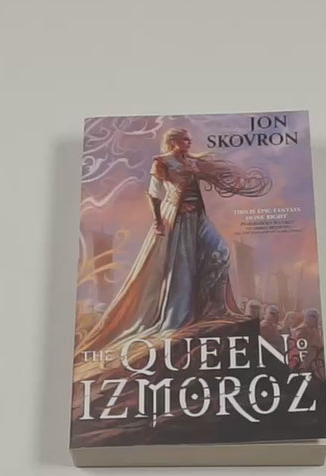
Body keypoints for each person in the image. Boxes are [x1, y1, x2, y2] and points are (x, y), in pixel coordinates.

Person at [77, 128, 270, 353]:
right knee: (182, 267)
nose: (189, 142)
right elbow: (154, 193)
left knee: (221, 252)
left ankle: (215, 308)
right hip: (177, 218)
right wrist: (158, 221)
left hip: (199, 217)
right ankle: (180, 316)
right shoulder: (161, 162)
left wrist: (238, 181)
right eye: (184, 139)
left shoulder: (192, 161)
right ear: (173, 141)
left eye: (189, 139)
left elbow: (213, 176)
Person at [290, 307, 325, 379]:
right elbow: (301, 348)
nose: (313, 319)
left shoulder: (318, 330)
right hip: (305, 360)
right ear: (306, 317)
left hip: (317, 359)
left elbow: (320, 345)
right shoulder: (302, 330)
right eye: (310, 316)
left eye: (314, 317)